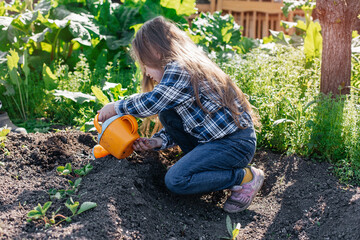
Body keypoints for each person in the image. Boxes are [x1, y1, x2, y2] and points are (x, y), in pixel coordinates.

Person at [98, 16, 264, 213]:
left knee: (176, 180)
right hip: (214, 142)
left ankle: (245, 177)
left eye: (146, 65)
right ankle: (211, 173)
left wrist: (117, 107)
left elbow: (154, 101)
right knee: (168, 114)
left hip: (234, 144)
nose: (146, 72)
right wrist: (157, 142)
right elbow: (187, 124)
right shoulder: (177, 77)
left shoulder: (180, 68)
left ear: (157, 52)